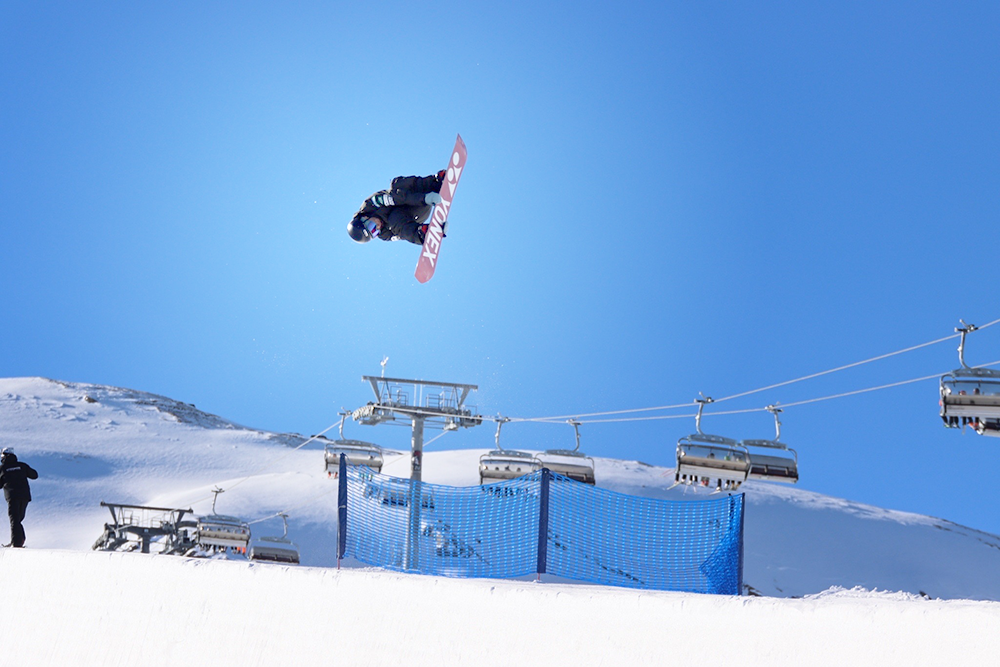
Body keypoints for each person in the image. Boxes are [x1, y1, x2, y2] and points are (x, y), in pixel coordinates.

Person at [347, 172, 445, 245]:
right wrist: (433, 231)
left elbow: (398, 197)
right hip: (415, 215)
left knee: (397, 184)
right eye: (374, 232)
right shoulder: (384, 234)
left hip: (418, 196)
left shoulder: (372, 204)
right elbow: (403, 232)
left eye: (372, 226)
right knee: (394, 220)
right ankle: (424, 233)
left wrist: (424, 199)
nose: (377, 227)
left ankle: (435, 183)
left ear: (364, 218)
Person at [0, 449, 38, 548]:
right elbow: (34, 475)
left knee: (14, 519)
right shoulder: (22, 465)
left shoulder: (2, 468)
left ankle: (16, 544)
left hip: (12, 496)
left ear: (4, 457)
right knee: (18, 519)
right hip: (25, 496)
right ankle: (17, 540)